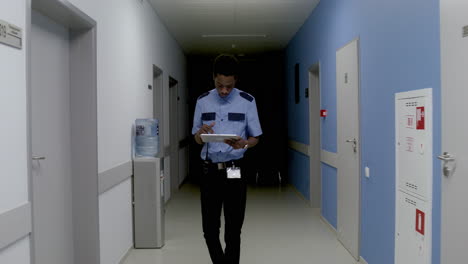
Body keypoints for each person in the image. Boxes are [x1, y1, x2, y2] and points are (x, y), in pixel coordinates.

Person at [192, 54, 262, 264]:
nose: (224, 90)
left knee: (233, 229)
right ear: (213, 78)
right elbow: (196, 139)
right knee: (209, 230)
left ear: (235, 81)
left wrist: (245, 144)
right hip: (210, 171)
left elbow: (255, 137)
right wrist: (200, 133)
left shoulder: (247, 101)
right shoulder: (202, 101)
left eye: (228, 86)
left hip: (235, 169)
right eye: (220, 85)